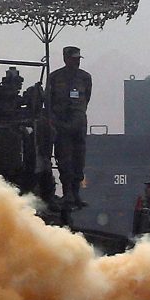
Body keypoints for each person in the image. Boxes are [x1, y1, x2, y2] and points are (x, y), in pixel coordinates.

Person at [46, 45, 92, 207]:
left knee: (79, 160)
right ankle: (68, 194)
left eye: (78, 59)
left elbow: (86, 98)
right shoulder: (54, 78)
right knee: (64, 160)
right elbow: (49, 102)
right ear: (66, 59)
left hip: (78, 124)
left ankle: (76, 194)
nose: (76, 62)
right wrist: (55, 121)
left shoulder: (85, 78)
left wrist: (77, 117)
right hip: (62, 124)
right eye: (73, 59)